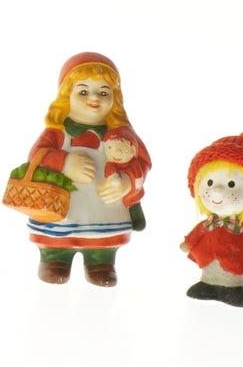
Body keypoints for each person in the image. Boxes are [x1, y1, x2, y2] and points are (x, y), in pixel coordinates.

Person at [17, 52, 151, 287]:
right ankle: (54, 259)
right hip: (63, 205)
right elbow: (36, 156)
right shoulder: (57, 132)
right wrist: (65, 163)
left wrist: (127, 182)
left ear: (115, 98)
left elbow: (142, 162)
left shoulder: (124, 136)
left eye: (103, 93)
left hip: (104, 206)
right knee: (56, 236)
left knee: (103, 241)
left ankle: (101, 263)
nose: (94, 99)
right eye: (83, 92)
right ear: (66, 95)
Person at [180, 133, 243, 307]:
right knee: (209, 272)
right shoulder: (208, 223)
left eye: (231, 184)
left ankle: (234, 290)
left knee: (232, 276)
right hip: (207, 259)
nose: (216, 191)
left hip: (235, 263)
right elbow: (197, 233)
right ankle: (207, 285)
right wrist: (187, 243)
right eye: (209, 183)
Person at [101, 126, 149, 231]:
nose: (117, 153)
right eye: (110, 148)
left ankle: (136, 216)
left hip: (130, 198)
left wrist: (129, 181)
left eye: (125, 150)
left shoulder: (135, 163)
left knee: (134, 204)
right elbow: (111, 172)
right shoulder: (111, 165)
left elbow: (143, 165)